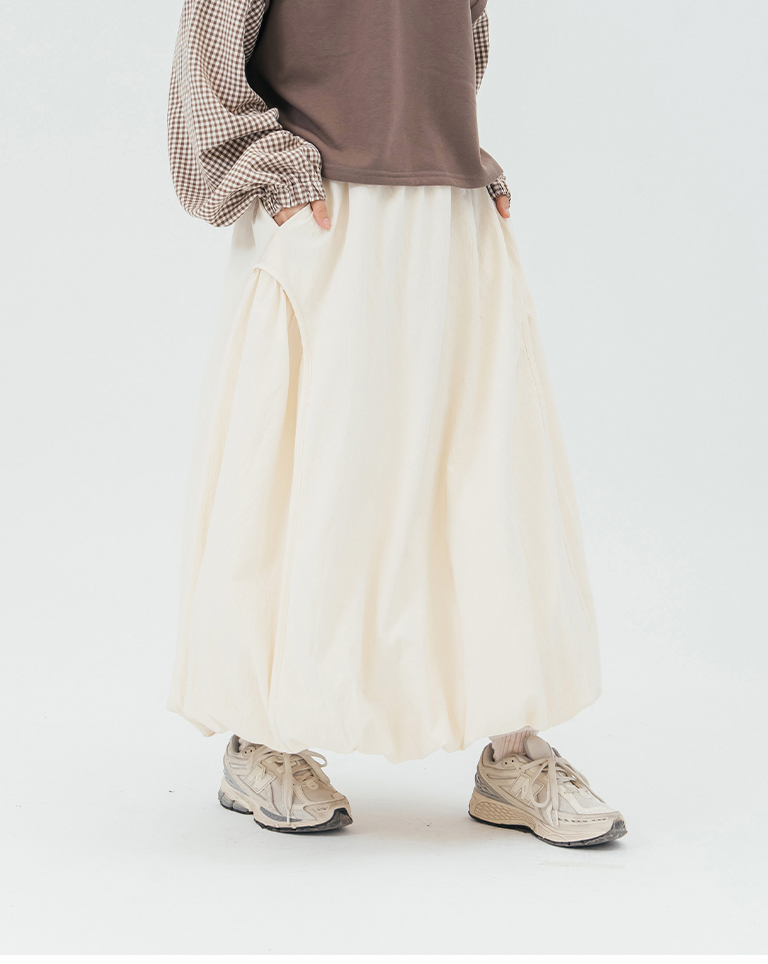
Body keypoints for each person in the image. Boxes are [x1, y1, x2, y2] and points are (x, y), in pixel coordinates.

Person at [167, 0, 626, 847]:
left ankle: (512, 752)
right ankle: (260, 740)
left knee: (489, 473)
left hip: (449, 204)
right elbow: (209, 62)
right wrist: (276, 180)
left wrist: (459, 155)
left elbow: (458, 39)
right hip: (325, 207)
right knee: (311, 473)